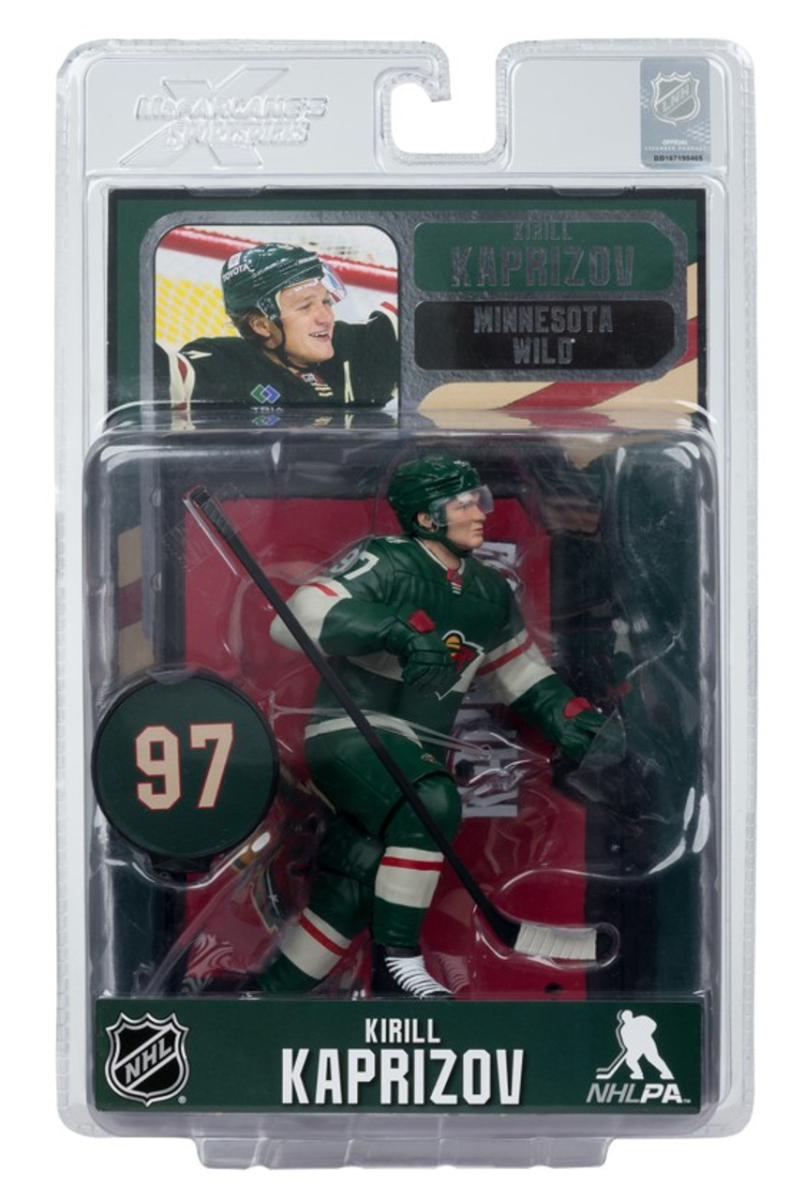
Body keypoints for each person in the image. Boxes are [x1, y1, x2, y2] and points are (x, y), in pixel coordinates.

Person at [259, 456, 608, 999]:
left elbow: (516, 671)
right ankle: (400, 962)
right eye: (463, 504)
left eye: (480, 500)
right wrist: (394, 630)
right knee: (432, 802)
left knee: (356, 881)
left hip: (413, 749)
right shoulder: (387, 560)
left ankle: (269, 995)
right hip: (351, 733)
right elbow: (295, 618)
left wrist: (569, 718)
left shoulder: (490, 591)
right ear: (426, 519)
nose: (480, 513)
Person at [165, 242, 398, 416]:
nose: (326, 317)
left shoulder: (355, 347)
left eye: (326, 301)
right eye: (305, 307)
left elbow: (414, 313)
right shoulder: (225, 366)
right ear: (261, 325)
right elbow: (160, 377)